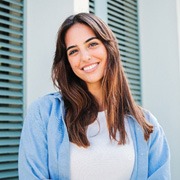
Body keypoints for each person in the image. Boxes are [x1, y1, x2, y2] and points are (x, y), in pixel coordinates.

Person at [18, 13, 171, 180]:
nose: (85, 57)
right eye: (73, 51)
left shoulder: (147, 125)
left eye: (92, 44)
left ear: (109, 48)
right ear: (67, 61)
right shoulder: (43, 114)